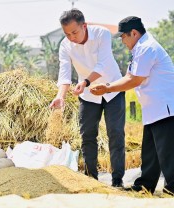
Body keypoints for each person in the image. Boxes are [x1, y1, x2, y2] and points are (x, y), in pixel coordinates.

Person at [90, 16, 174, 195]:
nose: (122, 40)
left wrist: (107, 88)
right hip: (154, 109)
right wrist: (108, 86)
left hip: (165, 108)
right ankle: (145, 186)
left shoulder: (146, 48)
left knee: (167, 152)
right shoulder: (140, 49)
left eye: (123, 36)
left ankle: (172, 187)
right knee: (150, 152)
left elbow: (134, 80)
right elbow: (129, 76)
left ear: (134, 33)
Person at [49, 9, 126, 187]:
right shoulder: (65, 45)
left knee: (115, 134)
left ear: (84, 26)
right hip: (88, 96)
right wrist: (60, 96)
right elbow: (65, 74)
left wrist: (85, 81)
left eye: (74, 32)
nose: (71, 37)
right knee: (87, 135)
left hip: (112, 89)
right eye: (67, 34)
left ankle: (117, 181)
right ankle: (91, 180)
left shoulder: (102, 34)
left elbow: (104, 63)